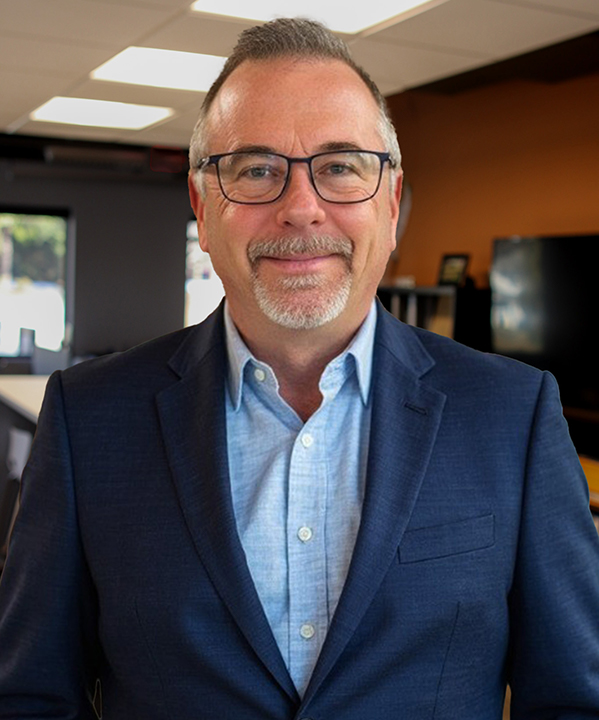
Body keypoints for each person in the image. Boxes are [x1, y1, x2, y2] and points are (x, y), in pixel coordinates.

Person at [1, 17, 598, 720]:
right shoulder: (89, 418)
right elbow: (31, 697)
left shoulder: (512, 413)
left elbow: (574, 701)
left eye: (341, 167)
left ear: (391, 203)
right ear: (201, 205)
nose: (301, 208)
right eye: (256, 170)